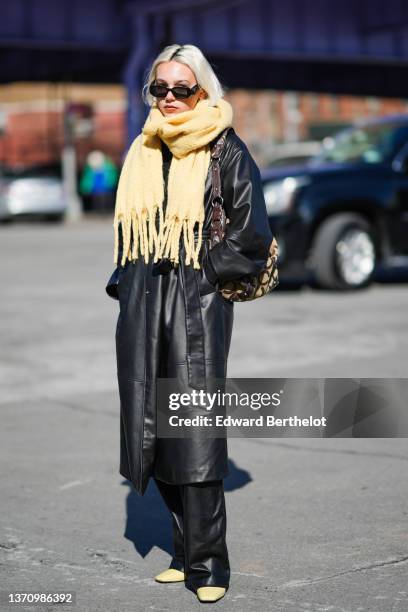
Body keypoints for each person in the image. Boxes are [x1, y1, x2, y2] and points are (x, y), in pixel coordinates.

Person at [110, 43, 274, 604]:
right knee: (151, 425)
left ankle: (210, 565)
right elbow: (132, 228)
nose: (172, 99)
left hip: (195, 299)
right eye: (161, 89)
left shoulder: (225, 149)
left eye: (183, 89)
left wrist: (204, 268)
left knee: (194, 431)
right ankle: (183, 554)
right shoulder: (143, 149)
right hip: (143, 300)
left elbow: (253, 234)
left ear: (203, 90)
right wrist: (125, 282)